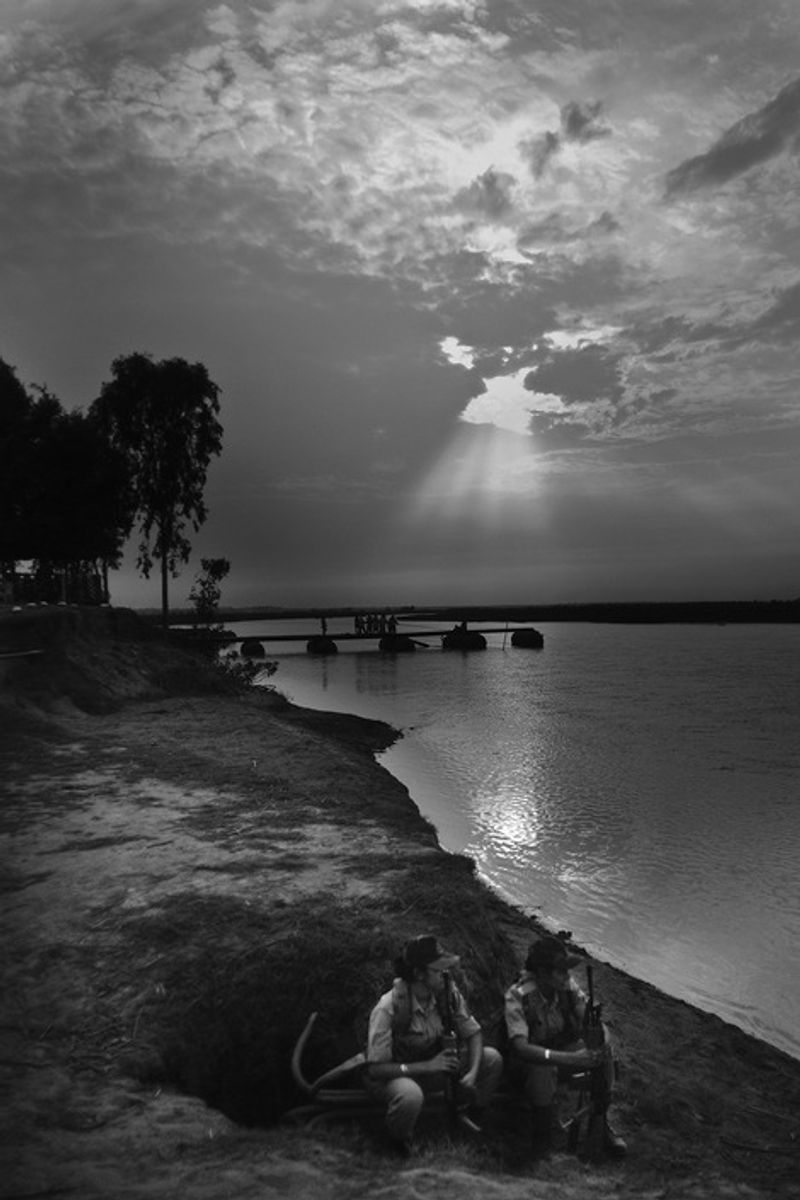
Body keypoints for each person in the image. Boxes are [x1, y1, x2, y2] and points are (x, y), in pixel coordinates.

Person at [365, 934, 503, 1155]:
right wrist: (428, 1066)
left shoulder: (446, 994)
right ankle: (397, 1145)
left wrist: (473, 1072)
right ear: (419, 974)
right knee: (410, 1096)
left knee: (492, 1058)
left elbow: (473, 1033)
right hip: (394, 1075)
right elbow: (375, 1069)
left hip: (433, 1070)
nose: (444, 975)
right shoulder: (388, 1007)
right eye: (437, 970)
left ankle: (470, 1118)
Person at [504, 936, 627, 1157]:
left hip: (562, 1055)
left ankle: (601, 1122)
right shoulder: (517, 996)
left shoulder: (566, 987)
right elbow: (521, 1048)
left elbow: (585, 1014)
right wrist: (570, 1059)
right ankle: (541, 1138)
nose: (567, 976)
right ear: (541, 973)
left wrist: (598, 1035)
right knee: (541, 1067)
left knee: (604, 1052)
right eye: (560, 971)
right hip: (530, 1066)